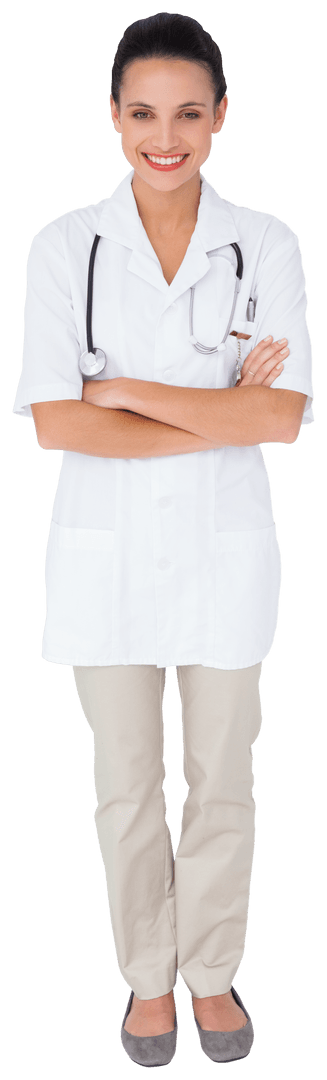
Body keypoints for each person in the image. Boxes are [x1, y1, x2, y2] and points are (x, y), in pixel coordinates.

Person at [11, 11, 314, 1067]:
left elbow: (279, 418)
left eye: (190, 111)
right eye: (143, 112)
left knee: (225, 776)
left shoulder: (265, 242)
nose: (165, 133)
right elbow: (56, 424)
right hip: (106, 565)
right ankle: (148, 982)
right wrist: (209, 409)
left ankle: (215, 975)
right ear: (112, 117)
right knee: (126, 781)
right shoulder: (66, 246)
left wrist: (127, 392)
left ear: (222, 116)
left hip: (228, 558)